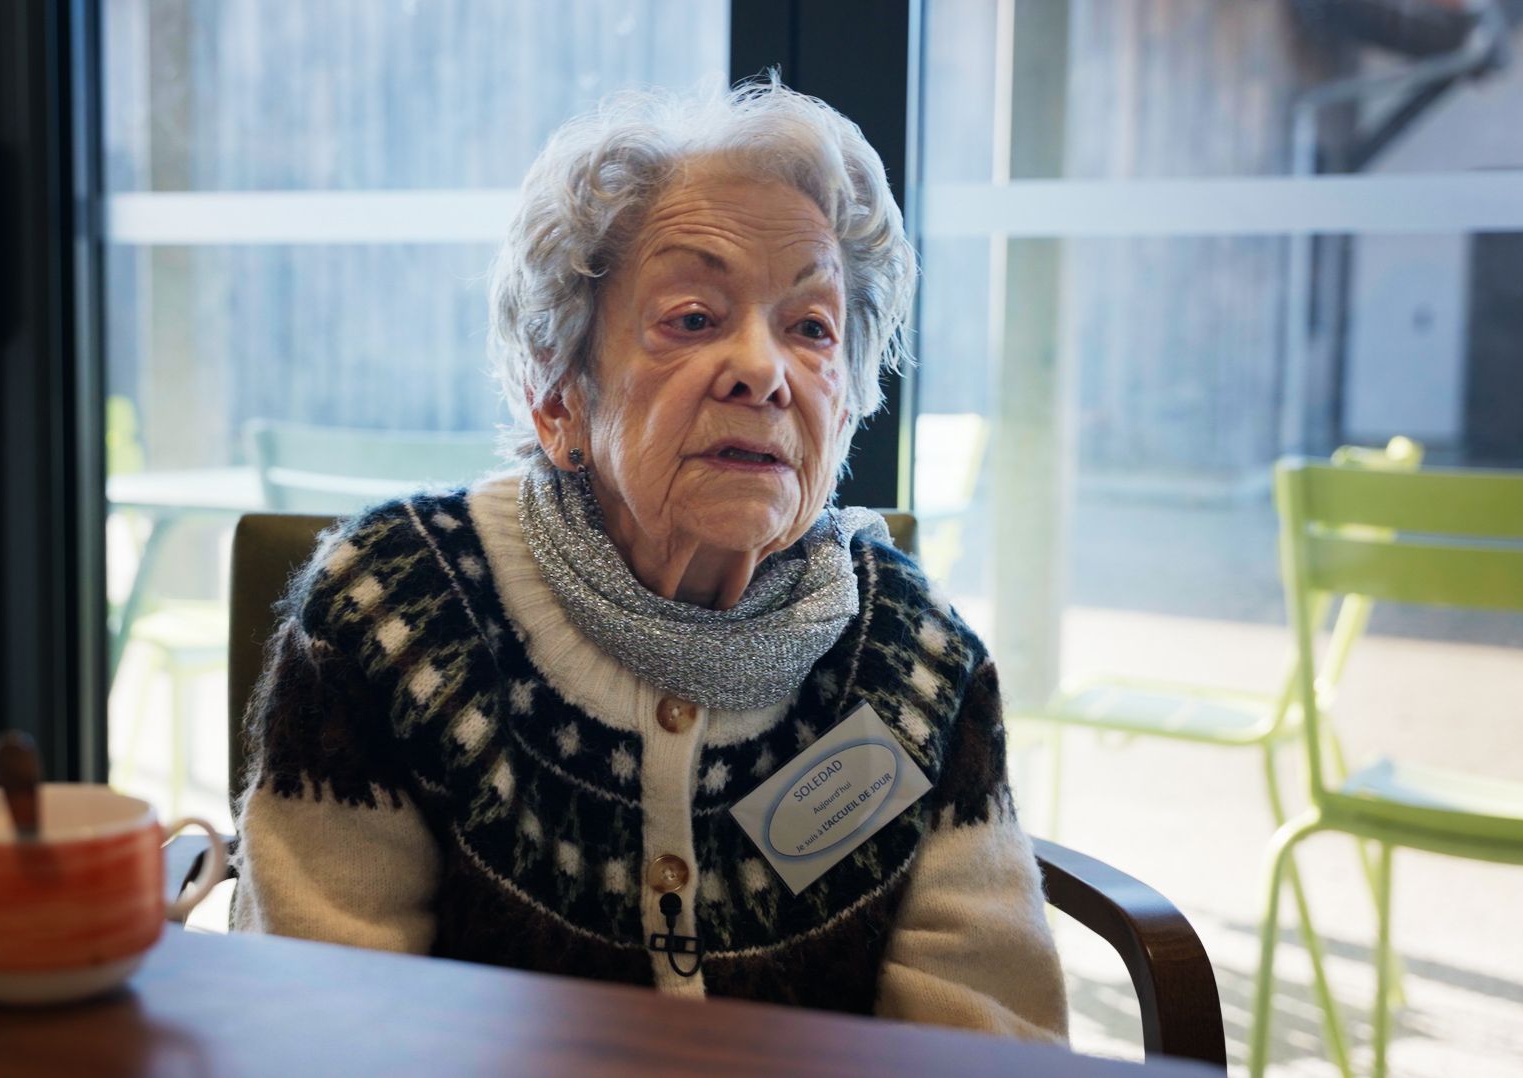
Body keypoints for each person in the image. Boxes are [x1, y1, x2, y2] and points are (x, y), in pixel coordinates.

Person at [232, 78, 1067, 1042]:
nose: (763, 369)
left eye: (811, 328)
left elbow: (990, 1032)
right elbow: (324, 1021)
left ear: (845, 405)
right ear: (558, 399)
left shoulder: (918, 663)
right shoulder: (393, 611)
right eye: (693, 317)